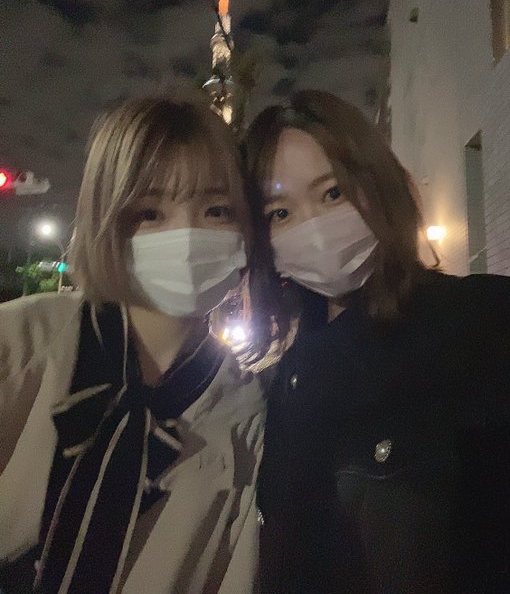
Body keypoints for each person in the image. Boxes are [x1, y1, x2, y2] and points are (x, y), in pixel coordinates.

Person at [244, 89, 510, 594]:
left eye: (332, 193)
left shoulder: (481, 322)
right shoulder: (286, 382)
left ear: (378, 185)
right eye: (280, 213)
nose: (313, 227)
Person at [0, 95, 267, 594]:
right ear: (106, 220)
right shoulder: (23, 342)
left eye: (216, 210)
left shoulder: (244, 414)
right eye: (150, 212)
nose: (187, 235)